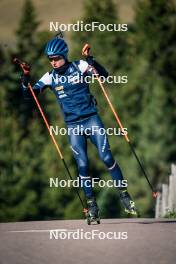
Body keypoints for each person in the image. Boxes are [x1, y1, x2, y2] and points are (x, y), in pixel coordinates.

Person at [21, 36, 138, 219]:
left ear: (64, 55)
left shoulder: (80, 66)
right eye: (50, 59)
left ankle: (124, 195)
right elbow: (29, 96)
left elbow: (103, 76)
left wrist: (91, 61)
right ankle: (91, 206)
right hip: (73, 126)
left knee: (106, 157)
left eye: (56, 58)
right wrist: (26, 77)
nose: (53, 62)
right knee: (82, 165)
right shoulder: (50, 77)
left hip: (92, 120)